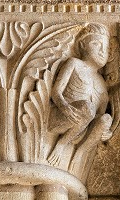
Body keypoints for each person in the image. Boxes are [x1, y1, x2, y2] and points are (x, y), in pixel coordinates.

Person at [47, 24, 112, 167]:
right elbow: (56, 91)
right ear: (82, 45)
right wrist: (64, 106)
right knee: (87, 107)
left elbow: (98, 116)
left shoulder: (102, 84)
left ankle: (80, 153)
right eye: (96, 44)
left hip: (81, 130)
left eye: (106, 48)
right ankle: (61, 144)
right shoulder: (74, 63)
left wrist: (105, 132)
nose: (102, 51)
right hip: (62, 117)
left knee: (106, 118)